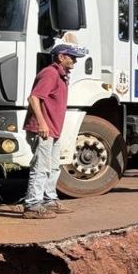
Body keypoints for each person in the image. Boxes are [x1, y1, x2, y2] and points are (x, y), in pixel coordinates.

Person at [23, 42, 88, 218]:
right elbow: (34, 98)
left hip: (53, 129)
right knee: (41, 166)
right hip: (44, 129)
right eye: (71, 57)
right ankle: (32, 205)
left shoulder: (61, 75)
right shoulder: (50, 73)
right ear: (61, 57)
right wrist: (42, 124)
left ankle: (48, 200)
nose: (74, 61)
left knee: (53, 166)